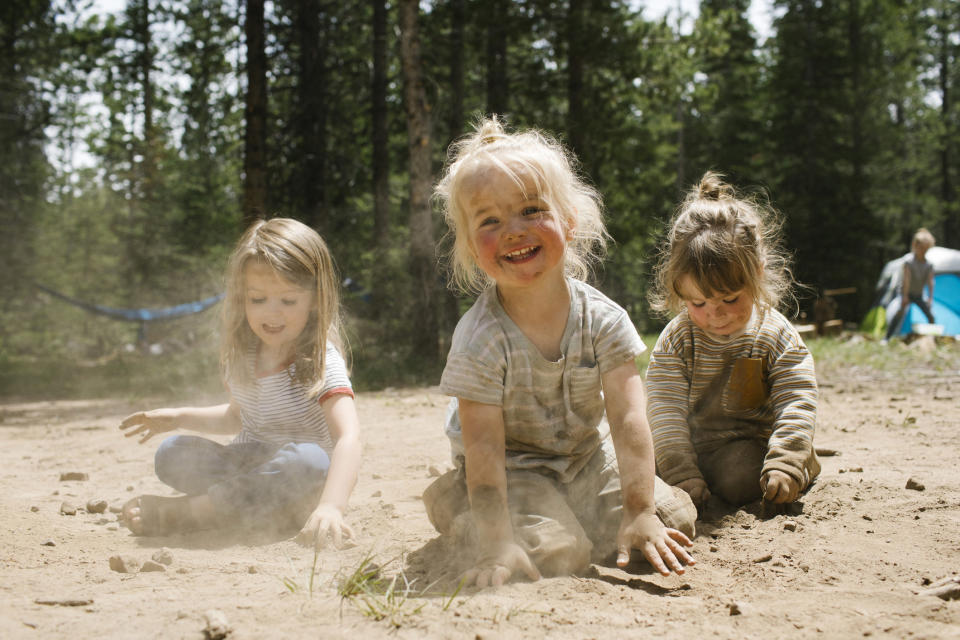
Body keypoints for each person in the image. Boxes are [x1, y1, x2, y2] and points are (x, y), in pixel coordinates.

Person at [422, 117, 696, 587]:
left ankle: (577, 512)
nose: (512, 230)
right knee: (554, 552)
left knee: (672, 519)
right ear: (470, 246)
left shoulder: (603, 319)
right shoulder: (480, 340)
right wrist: (496, 541)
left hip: (585, 458)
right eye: (489, 221)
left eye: (531, 210)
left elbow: (629, 420)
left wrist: (639, 509)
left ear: (568, 221)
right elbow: (485, 447)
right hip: (510, 468)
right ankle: (458, 503)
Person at [119, 218, 361, 547]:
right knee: (172, 453)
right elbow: (237, 417)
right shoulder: (241, 355)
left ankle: (194, 513)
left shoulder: (321, 359)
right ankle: (249, 507)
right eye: (258, 300)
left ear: (316, 299)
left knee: (309, 460)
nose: (271, 314)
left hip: (301, 482)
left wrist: (332, 506)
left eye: (288, 301)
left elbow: (348, 436)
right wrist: (177, 417)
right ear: (241, 298)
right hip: (251, 471)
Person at [645, 172, 820, 511]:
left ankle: (800, 461)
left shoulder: (775, 336)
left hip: (745, 444)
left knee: (739, 477)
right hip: (686, 444)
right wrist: (680, 472)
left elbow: (797, 398)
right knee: (635, 461)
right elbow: (664, 412)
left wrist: (785, 458)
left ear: (757, 271)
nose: (715, 315)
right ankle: (689, 477)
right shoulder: (678, 340)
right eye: (697, 303)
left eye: (729, 299)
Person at [885, 228, 936, 340]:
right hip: (905, 293)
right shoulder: (908, 261)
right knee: (899, 313)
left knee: (930, 316)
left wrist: (931, 298)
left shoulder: (929, 265)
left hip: (919, 295)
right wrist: (905, 296)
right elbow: (906, 280)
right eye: (921, 248)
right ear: (915, 246)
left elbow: (931, 281)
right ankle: (887, 338)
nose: (923, 251)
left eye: (925, 249)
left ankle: (932, 339)